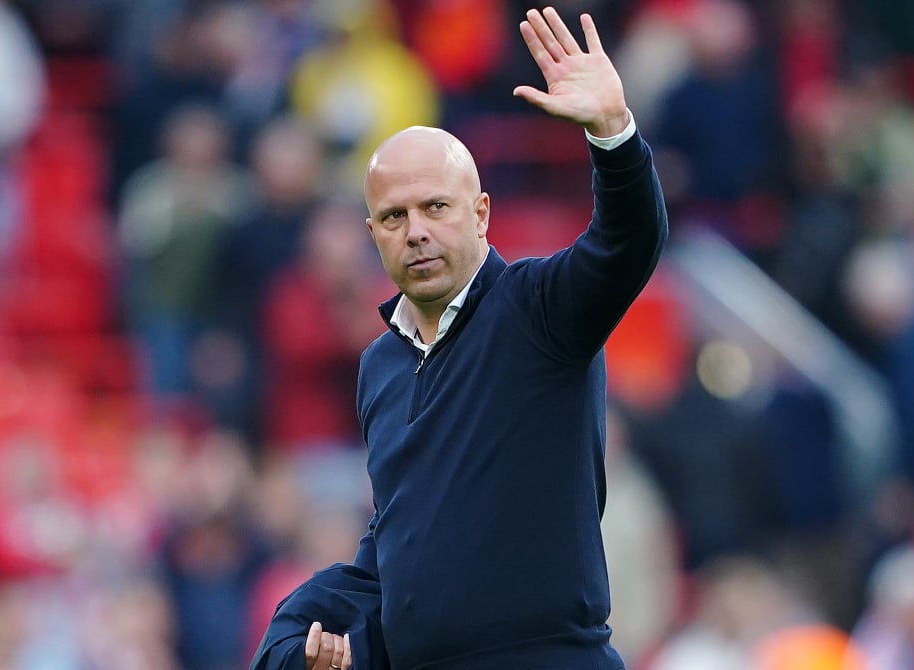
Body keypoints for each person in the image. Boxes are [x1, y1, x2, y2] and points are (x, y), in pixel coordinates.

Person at [251, 7, 668, 669]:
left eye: (435, 207)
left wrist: (613, 133)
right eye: (394, 216)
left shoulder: (538, 308)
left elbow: (627, 244)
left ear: (480, 214)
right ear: (373, 235)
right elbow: (401, 540)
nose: (416, 230)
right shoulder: (381, 364)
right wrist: (313, 646)